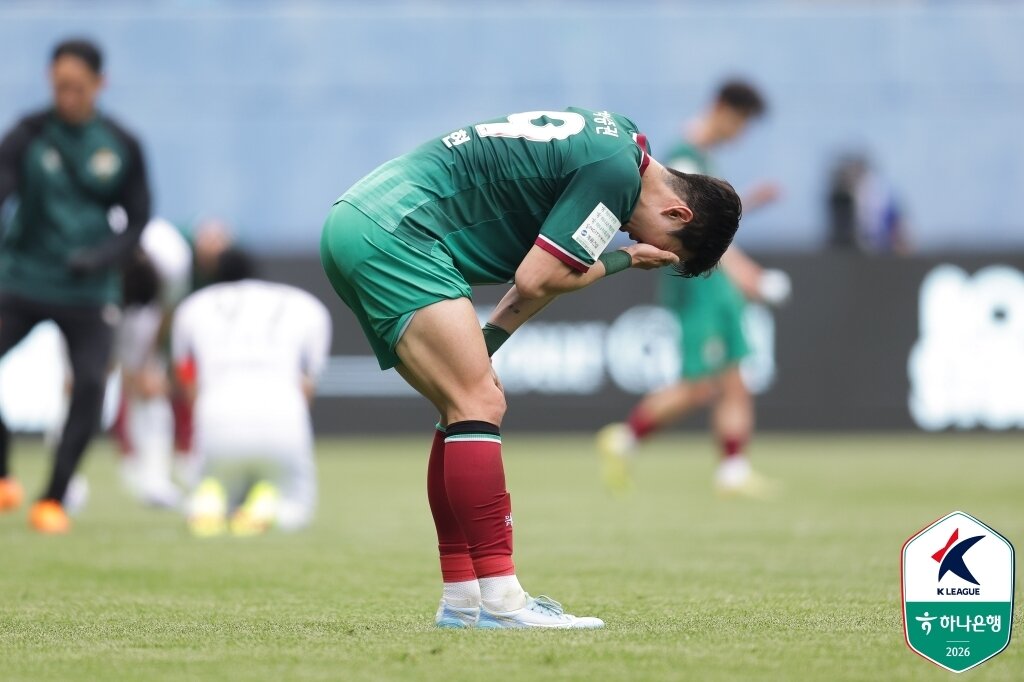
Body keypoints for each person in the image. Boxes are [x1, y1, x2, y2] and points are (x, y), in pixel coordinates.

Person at [320, 107, 742, 629]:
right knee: (477, 402)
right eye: (662, 244)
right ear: (677, 214)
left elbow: (543, 276)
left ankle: (463, 602)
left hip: (364, 217)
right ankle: (503, 602)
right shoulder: (614, 177)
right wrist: (626, 259)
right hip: (399, 232)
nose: (645, 243)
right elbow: (538, 278)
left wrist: (486, 344)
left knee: (463, 405)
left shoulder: (621, 144)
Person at [597, 80, 790, 497]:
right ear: (722, 109)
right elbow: (695, 234)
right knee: (699, 384)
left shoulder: (701, 157)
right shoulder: (685, 156)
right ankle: (624, 439)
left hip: (718, 285)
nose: (741, 132)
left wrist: (750, 204)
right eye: (741, 121)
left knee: (734, 375)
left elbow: (711, 223)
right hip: (704, 285)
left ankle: (733, 470)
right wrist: (747, 274)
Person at [0, 38, 150, 533]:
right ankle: (2, 473)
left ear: (99, 84)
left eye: (77, 87)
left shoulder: (121, 144)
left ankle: (53, 499)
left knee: (89, 384)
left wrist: (101, 257)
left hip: (88, 290)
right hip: (22, 278)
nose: (66, 95)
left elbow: (138, 220)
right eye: (59, 85)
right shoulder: (27, 134)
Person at [173, 249, 331, 536]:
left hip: (217, 416)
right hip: (283, 416)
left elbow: (187, 379)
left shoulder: (192, 307)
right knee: (297, 504)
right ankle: (267, 508)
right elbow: (307, 383)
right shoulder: (306, 305)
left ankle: (209, 500)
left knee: (215, 479)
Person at [115, 217, 193, 508]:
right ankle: (66, 485)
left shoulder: (174, 256)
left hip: (144, 309)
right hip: (91, 301)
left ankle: (155, 480)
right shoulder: (96, 239)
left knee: (151, 389)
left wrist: (148, 358)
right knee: (75, 384)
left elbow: (167, 308)